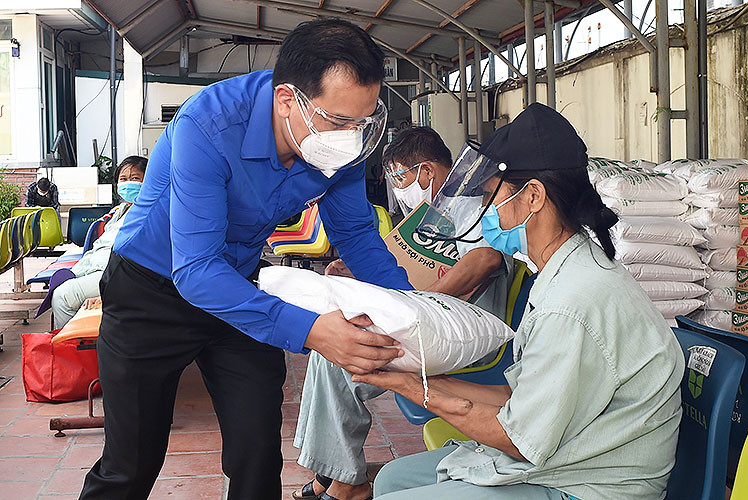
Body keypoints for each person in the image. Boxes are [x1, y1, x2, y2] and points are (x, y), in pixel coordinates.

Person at [79, 19, 412, 500]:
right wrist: (312, 331)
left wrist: (409, 309)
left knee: (257, 451)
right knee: (130, 464)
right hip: (152, 291)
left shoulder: (340, 139)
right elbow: (194, 270)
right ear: (287, 100)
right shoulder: (209, 126)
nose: (351, 136)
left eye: (363, 122)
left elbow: (356, 231)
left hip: (236, 286)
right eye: (340, 122)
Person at [353, 104, 684, 500]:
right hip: (568, 454)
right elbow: (519, 398)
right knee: (391, 480)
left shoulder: (572, 301)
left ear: (532, 197)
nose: (485, 210)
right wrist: (417, 377)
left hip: (591, 485)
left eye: (492, 195)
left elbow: (518, 437)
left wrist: (413, 387)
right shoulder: (565, 269)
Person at [293, 127, 510, 500]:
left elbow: (485, 259)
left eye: (399, 177)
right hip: (427, 325)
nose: (397, 188)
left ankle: (345, 482)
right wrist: (357, 273)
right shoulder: (428, 217)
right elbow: (402, 271)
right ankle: (329, 474)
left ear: (425, 172)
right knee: (330, 344)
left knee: (342, 357)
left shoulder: (474, 207)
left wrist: (423, 304)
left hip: (458, 336)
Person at [49, 156, 147, 329]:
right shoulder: (121, 210)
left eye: (135, 178)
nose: (128, 183)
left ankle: (69, 348)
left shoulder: (147, 213)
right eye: (123, 179)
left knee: (62, 297)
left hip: (116, 274)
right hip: (93, 269)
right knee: (60, 285)